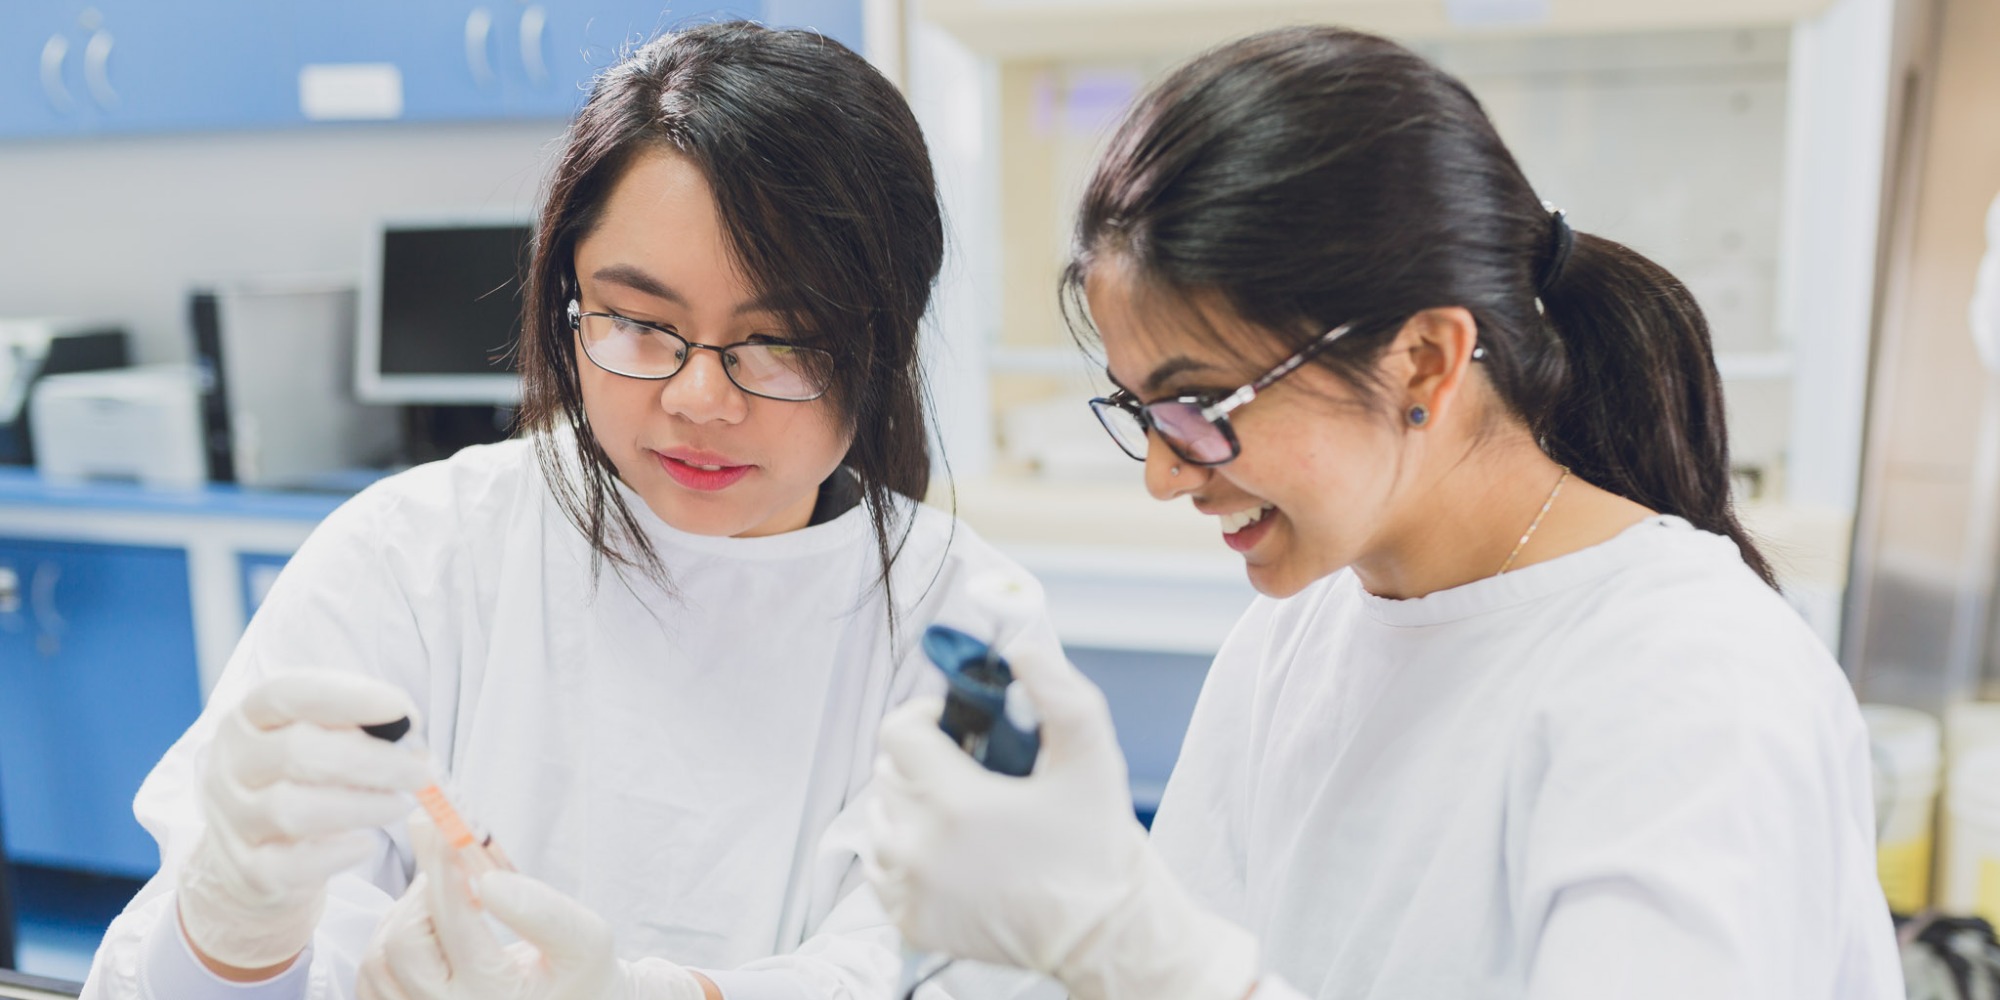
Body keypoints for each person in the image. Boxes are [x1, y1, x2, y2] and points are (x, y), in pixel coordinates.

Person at [864, 25, 1905, 1000]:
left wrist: (1118, 934)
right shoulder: (1296, 633)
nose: (1164, 476)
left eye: (1199, 407)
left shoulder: (1691, 685)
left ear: (1424, 360)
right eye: (1142, 412)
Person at [80, 21, 1061, 1000]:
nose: (699, 400)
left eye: (781, 342)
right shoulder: (411, 557)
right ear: (570, 298)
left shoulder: (961, 624)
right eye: (638, 322)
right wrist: (237, 933)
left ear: (885, 341)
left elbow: (950, 969)